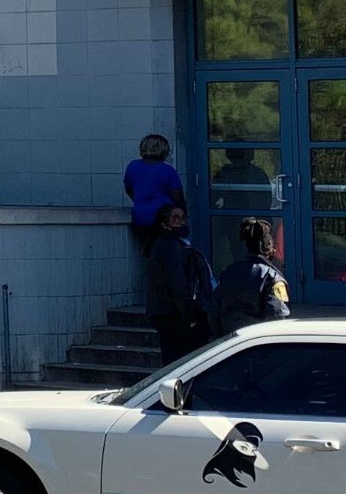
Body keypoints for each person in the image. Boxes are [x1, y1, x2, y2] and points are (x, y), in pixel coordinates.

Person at [143, 200, 217, 364]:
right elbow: (178, 284)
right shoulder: (171, 247)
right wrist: (191, 315)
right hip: (173, 314)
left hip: (166, 313)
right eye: (175, 218)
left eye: (183, 217)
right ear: (165, 223)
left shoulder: (167, 245)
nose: (181, 222)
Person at [211, 219, 293, 330]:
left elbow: (214, 310)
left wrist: (218, 337)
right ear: (270, 251)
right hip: (256, 338)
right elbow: (277, 318)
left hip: (228, 338)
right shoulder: (271, 278)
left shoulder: (229, 273)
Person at [123, 134, 186, 253]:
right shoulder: (168, 170)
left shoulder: (133, 166)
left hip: (140, 218)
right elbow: (178, 197)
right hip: (163, 219)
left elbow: (129, 189)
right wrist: (183, 215)